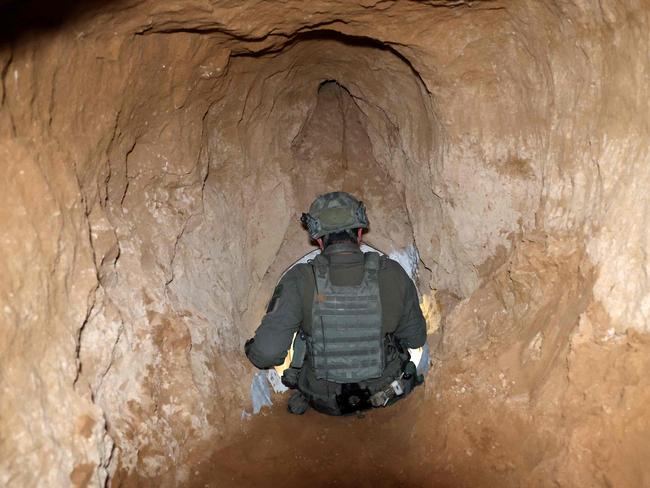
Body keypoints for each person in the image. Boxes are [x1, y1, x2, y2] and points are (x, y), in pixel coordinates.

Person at [245, 191, 427, 415]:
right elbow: (416, 338)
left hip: (323, 401)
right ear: (360, 233)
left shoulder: (299, 279)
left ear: (318, 239)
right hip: (385, 394)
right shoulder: (392, 274)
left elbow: (267, 353)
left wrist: (250, 348)